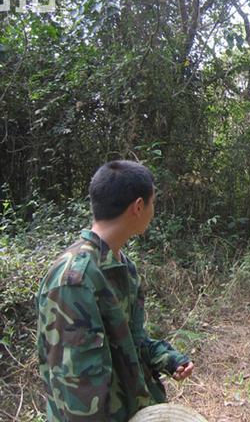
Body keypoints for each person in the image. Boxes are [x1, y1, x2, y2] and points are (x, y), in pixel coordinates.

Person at [36, 160, 194, 421]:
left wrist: (166, 357)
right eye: (153, 203)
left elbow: (130, 340)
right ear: (139, 207)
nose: (153, 212)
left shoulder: (122, 267)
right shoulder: (74, 279)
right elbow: (76, 390)